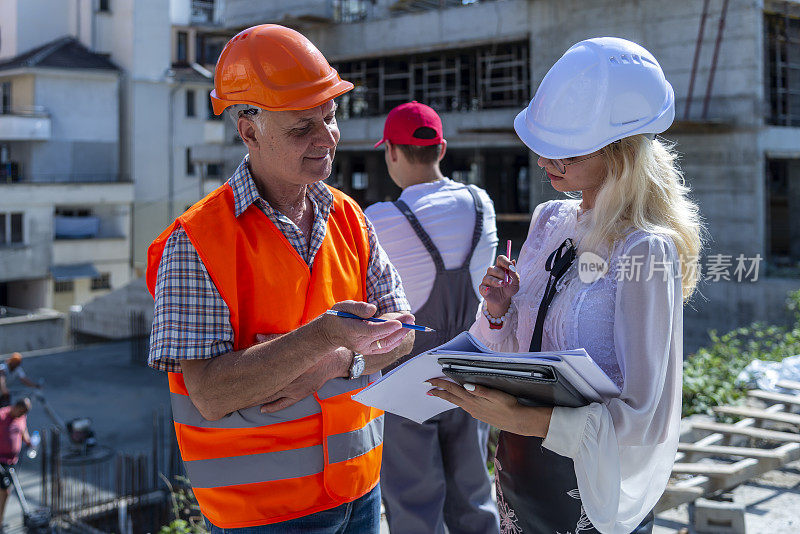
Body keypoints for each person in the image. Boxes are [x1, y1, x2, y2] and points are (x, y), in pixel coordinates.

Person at [427, 37, 703, 534]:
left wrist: (525, 419)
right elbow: (514, 350)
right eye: (543, 148)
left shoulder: (645, 251)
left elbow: (646, 418)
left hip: (587, 494)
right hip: (517, 473)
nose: (545, 162)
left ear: (620, 152)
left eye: (566, 154)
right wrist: (496, 310)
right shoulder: (550, 220)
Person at [146, 24, 414, 533]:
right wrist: (324, 336)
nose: (325, 138)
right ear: (249, 131)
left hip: (360, 487)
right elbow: (210, 394)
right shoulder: (195, 241)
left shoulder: (349, 217)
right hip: (264, 515)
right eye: (301, 128)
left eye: (330, 118)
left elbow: (400, 334)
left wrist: (337, 358)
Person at [366, 101, 500, 534]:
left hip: (407, 380)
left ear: (391, 152)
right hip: (472, 367)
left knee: (412, 507)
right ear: (441, 149)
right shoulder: (481, 204)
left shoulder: (378, 220)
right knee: (475, 498)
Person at [0, 398, 31, 525]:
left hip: (13, 461)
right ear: (16, 406)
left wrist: (29, 442)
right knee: (5, 490)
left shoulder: (22, 417)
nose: (21, 415)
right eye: (21, 411)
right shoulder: (2, 415)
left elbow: (23, 430)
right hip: (1, 460)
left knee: (6, 491)